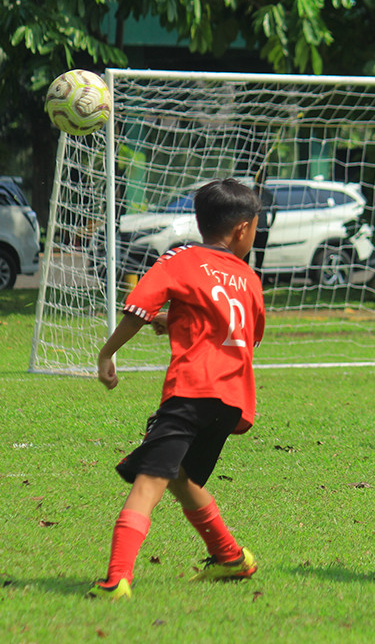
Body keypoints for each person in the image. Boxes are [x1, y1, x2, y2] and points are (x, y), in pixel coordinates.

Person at [87, 178, 266, 600]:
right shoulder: (249, 278)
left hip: (191, 390)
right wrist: (178, 320)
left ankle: (116, 579)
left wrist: (106, 354)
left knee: (148, 481)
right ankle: (230, 557)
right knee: (180, 476)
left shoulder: (181, 258)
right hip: (232, 400)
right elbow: (243, 332)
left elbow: (136, 309)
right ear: (243, 229)